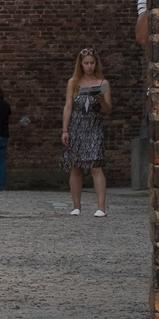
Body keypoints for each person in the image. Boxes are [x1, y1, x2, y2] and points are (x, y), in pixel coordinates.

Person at [61, 48, 112, 216]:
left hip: (93, 124)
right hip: (76, 125)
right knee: (76, 166)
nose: (89, 66)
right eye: (86, 63)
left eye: (92, 63)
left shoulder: (103, 83)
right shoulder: (73, 82)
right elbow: (68, 106)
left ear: (96, 64)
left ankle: (101, 207)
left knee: (95, 166)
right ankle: (76, 206)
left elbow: (108, 110)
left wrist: (101, 100)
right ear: (81, 64)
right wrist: (65, 130)